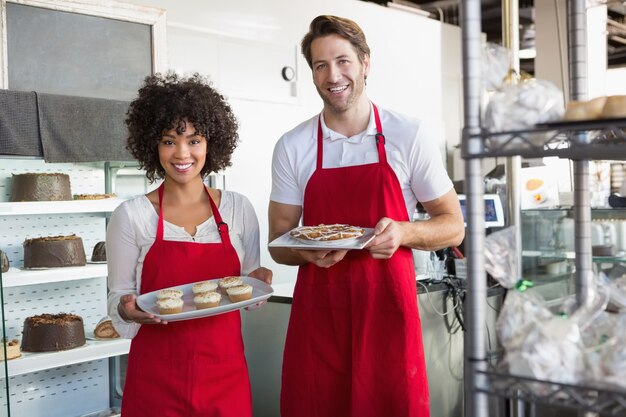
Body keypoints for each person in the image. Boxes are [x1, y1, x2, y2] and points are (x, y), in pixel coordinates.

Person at [268, 15, 464, 417]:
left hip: (387, 315)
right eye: (320, 65)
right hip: (319, 321)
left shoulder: (408, 135)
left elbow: (454, 226)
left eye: (343, 61)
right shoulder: (293, 146)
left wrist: (404, 233)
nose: (333, 75)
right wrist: (306, 252)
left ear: (365, 63)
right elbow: (279, 238)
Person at [107, 72, 272, 417]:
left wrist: (259, 280)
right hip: (156, 378)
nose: (182, 153)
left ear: (212, 143)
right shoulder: (132, 215)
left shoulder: (238, 209)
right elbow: (117, 299)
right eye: (169, 141)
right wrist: (126, 309)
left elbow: (246, 292)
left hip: (224, 373)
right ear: (152, 144)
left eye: (194, 140)